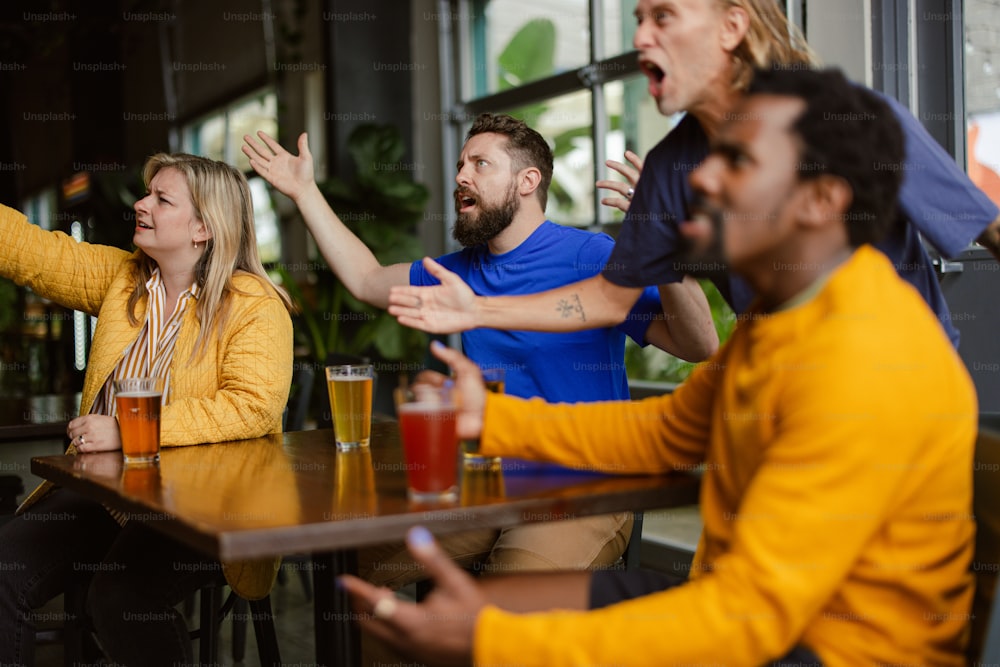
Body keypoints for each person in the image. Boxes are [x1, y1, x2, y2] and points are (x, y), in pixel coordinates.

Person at [341, 67, 978, 667]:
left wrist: (495, 637)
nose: (699, 180)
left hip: (821, 650)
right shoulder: (785, 322)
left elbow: (747, 619)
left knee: (497, 631)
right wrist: (494, 419)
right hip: (747, 607)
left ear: (818, 201)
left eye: (738, 161)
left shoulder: (865, 358)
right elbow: (659, 432)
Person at [242, 113, 718, 587]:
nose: (460, 176)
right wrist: (304, 192)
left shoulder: (589, 255)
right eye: (461, 164)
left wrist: (665, 248)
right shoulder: (456, 272)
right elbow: (367, 280)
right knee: (349, 576)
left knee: (502, 605)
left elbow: (699, 344)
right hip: (484, 484)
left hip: (584, 488)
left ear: (527, 180)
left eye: (480, 164)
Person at [385, 0, 1000, 350]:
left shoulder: (851, 119)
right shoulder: (669, 170)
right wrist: (479, 310)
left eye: (664, 17)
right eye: (639, 18)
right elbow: (604, 299)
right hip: (777, 400)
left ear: (732, 27)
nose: (641, 35)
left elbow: (987, 228)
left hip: (900, 394)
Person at [0, 153, 294, 666]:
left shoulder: (254, 304)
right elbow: (33, 252)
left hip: (204, 506)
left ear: (203, 226)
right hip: (112, 495)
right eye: (147, 193)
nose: (141, 203)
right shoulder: (124, 279)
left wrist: (129, 429)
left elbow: (251, 407)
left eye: (162, 198)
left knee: (119, 600)